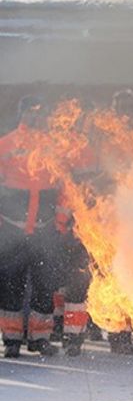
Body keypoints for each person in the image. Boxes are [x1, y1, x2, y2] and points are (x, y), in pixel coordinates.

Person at [0, 97, 62, 357]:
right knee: (10, 284)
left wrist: (59, 221)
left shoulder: (54, 147)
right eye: (31, 112)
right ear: (21, 113)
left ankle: (40, 339)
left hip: (44, 229)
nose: (36, 117)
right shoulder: (5, 145)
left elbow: (64, 187)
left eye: (40, 112)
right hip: (12, 227)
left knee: (45, 284)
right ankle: (11, 341)